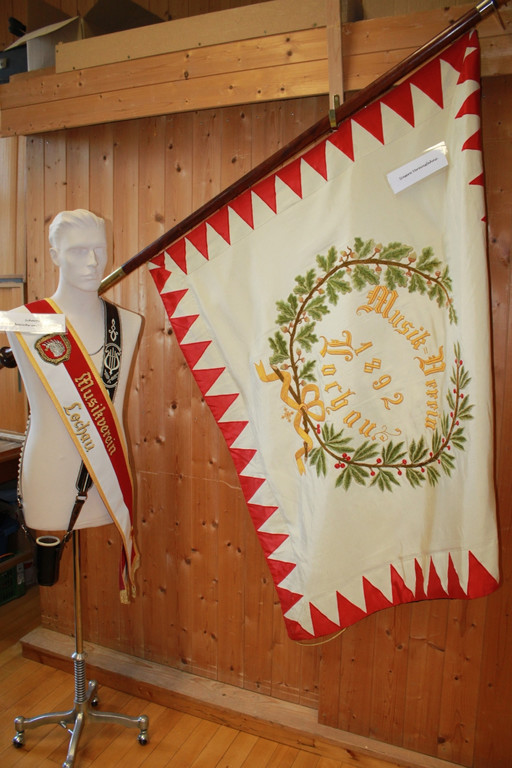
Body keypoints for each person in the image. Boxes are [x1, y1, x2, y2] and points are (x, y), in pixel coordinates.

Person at [7, 210, 142, 537]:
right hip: (48, 475)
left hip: (105, 471)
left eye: (99, 249)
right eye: (79, 251)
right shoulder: (25, 321)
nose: (93, 262)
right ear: (55, 256)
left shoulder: (127, 322)